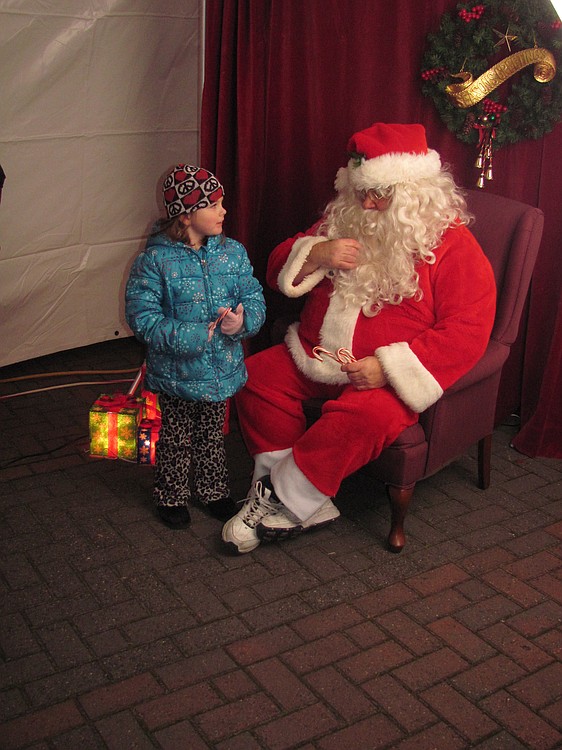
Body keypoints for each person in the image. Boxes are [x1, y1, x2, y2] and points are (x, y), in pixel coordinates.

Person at [222, 122, 496, 553]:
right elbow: (278, 267)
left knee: (366, 418)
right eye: (360, 190)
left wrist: (387, 368)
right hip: (316, 355)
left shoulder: (452, 244)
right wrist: (318, 252)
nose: (367, 202)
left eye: (380, 193)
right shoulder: (342, 219)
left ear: (413, 190)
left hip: (379, 374)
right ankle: (302, 501)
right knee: (254, 376)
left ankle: (282, 496)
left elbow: (469, 328)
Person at [126, 164, 266, 528]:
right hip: (177, 373)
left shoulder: (232, 253)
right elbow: (142, 317)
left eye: (223, 203)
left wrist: (243, 320)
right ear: (186, 215)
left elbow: (253, 296)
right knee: (176, 437)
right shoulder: (155, 260)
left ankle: (213, 490)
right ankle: (171, 495)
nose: (224, 211)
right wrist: (189, 337)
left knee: (211, 434)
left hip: (220, 370)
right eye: (214, 205)